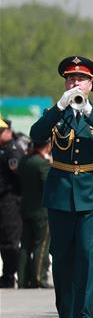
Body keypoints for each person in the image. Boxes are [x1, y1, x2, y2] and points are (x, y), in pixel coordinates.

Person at [30, 56, 93, 318]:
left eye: (80, 80)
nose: (75, 83)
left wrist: (90, 112)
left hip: (92, 194)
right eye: (70, 79)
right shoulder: (55, 114)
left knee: (87, 256)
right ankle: (65, 314)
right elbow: (36, 136)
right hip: (60, 194)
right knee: (62, 257)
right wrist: (59, 108)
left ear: (89, 84)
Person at [17, 138, 51, 289]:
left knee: (25, 245)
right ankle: (38, 278)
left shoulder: (24, 160)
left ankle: (23, 279)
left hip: (26, 207)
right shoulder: (42, 163)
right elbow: (48, 186)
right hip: (41, 210)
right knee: (41, 244)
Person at [0, 117, 27, 288]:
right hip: (3, 198)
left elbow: (20, 177)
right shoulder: (3, 148)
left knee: (10, 237)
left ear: (8, 132)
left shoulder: (13, 150)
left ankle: (10, 275)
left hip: (10, 199)